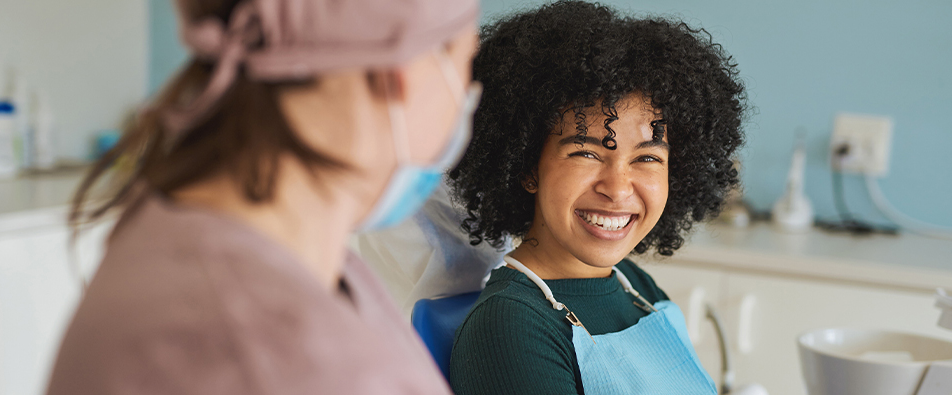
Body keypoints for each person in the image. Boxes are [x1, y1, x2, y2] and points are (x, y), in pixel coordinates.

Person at [47, 0, 480, 393]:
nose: (465, 99)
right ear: (401, 73)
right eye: (467, 64)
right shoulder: (275, 357)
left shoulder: (272, 246)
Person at [447, 2, 747, 394]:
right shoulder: (510, 325)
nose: (619, 187)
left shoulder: (635, 286)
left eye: (647, 158)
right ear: (526, 167)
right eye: (586, 153)